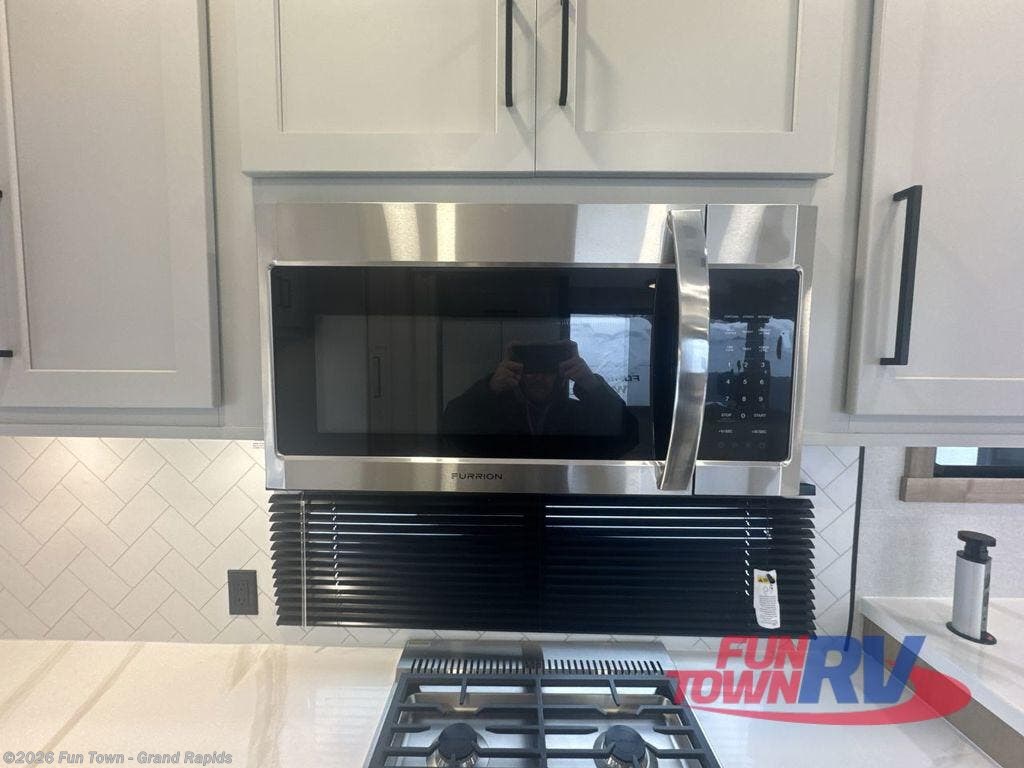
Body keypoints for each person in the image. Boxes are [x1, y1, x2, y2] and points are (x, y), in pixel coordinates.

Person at [441, 340, 639, 458]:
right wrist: (490, 387)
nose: (539, 378)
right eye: (531, 370)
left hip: (564, 501)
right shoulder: (495, 414)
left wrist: (591, 385)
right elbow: (451, 428)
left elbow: (629, 436)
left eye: (547, 370)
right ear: (518, 372)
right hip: (505, 502)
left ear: (561, 375)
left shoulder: (579, 415)